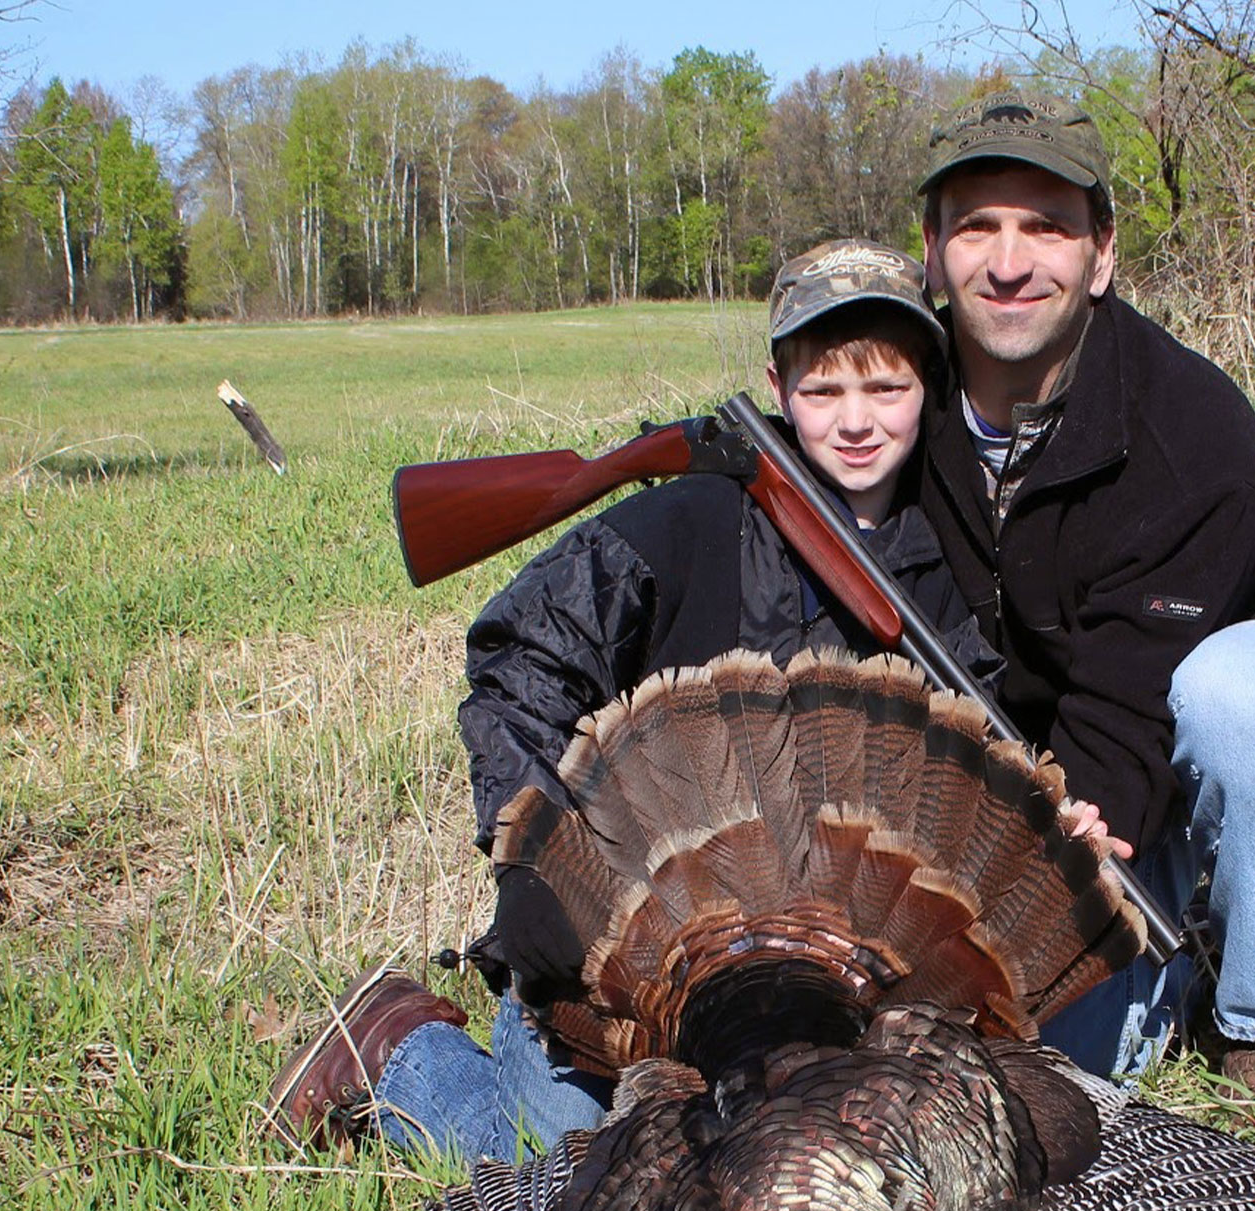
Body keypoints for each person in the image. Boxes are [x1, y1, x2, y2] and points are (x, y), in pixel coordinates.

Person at [265, 238, 999, 1159]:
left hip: (825, 971)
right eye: (823, 391)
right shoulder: (688, 518)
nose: (855, 421)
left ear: (928, 385)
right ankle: (401, 1048)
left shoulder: (948, 558)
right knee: (569, 1163)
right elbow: (519, 659)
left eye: (885, 389)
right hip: (629, 949)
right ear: (777, 386)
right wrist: (532, 866)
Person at [912, 95, 1255, 1096]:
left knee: (1232, 698)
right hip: (1074, 740)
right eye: (978, 226)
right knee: (984, 1052)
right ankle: (1178, 933)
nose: (1009, 262)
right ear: (931, 250)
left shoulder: (1189, 428)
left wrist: (1040, 880)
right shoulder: (891, 405)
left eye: (1046, 225)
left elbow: (1131, 708)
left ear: (1100, 255)